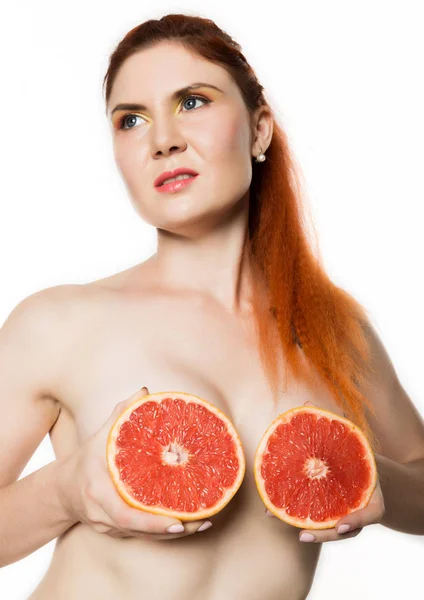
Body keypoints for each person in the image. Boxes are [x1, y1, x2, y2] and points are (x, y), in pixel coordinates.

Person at [1, 12, 423, 600]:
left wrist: (372, 482)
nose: (162, 138)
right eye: (131, 119)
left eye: (192, 101)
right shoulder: (55, 324)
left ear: (259, 131)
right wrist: (65, 492)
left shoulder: (335, 330)